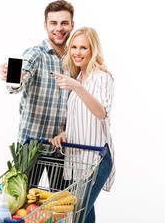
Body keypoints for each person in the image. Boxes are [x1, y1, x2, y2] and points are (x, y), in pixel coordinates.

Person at [0, 0, 75, 190]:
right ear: (45, 25)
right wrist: (16, 77)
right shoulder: (36, 54)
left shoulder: (74, 59)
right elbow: (18, 82)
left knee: (61, 207)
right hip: (31, 147)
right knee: (22, 207)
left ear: (72, 25)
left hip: (62, 149)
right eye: (54, 23)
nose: (59, 28)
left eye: (64, 23)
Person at [49, 27, 115, 223]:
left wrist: (78, 88)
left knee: (74, 217)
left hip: (96, 159)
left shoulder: (102, 77)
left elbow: (101, 112)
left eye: (83, 48)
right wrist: (65, 133)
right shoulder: (78, 78)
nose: (77, 52)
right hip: (78, 160)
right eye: (74, 47)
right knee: (83, 218)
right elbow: (82, 118)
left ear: (93, 50)